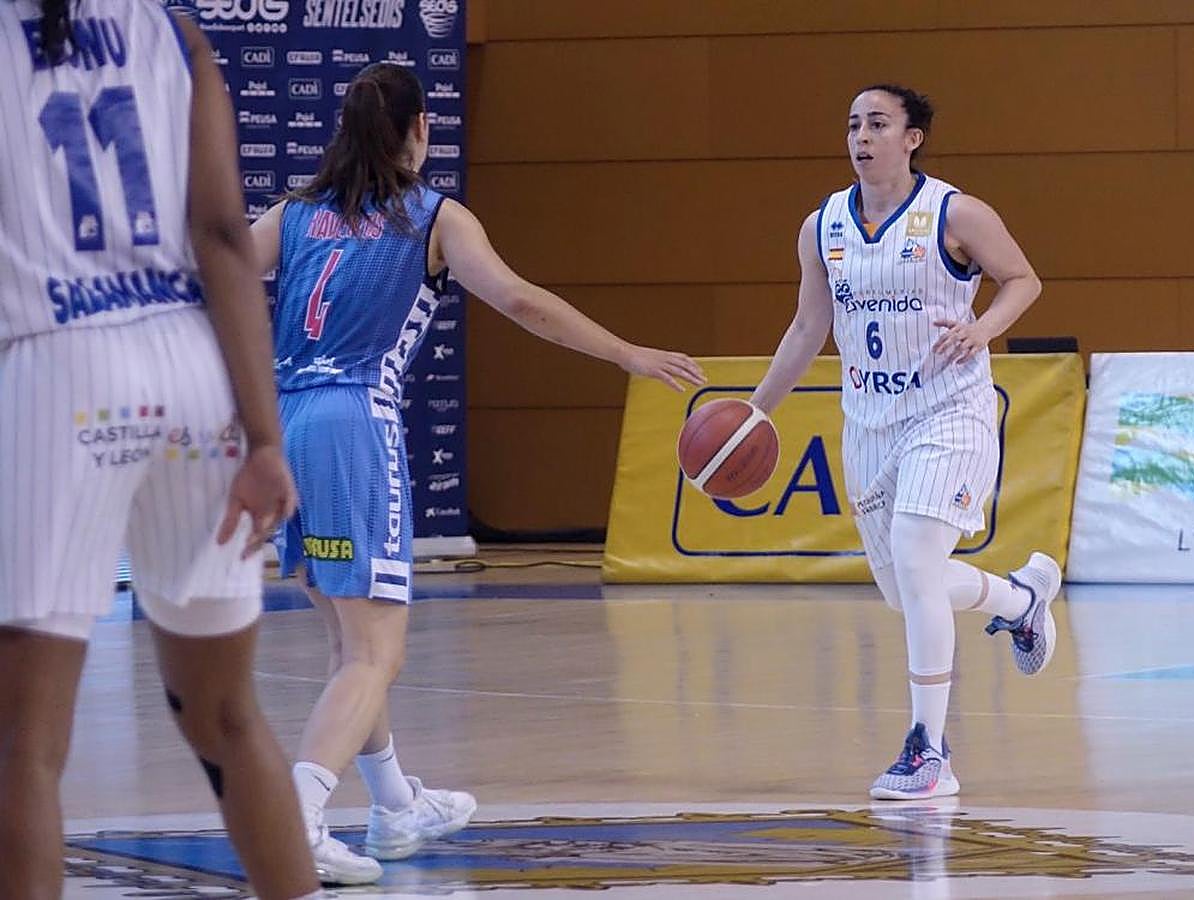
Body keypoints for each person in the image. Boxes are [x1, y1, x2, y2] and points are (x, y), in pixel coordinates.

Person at [250, 61, 706, 884]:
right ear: (420, 129)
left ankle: (395, 806)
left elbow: (212, 275)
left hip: (286, 421)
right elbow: (521, 302)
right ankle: (295, 818)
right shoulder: (433, 216)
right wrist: (625, 352)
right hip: (354, 421)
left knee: (350, 642)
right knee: (374, 654)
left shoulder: (293, 213)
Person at [0, 2, 324, 898]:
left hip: (55, 364)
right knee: (228, 716)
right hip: (193, 366)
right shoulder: (175, 34)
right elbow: (222, 235)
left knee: (24, 745)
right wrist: (265, 438)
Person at [749, 84, 1061, 800]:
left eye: (878, 124)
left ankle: (929, 751)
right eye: (853, 125)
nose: (861, 137)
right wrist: (755, 412)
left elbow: (1023, 279)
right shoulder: (822, 225)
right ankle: (1018, 601)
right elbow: (809, 327)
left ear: (912, 138)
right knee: (905, 591)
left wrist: (983, 328)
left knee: (919, 562)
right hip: (869, 424)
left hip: (948, 411)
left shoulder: (956, 212)